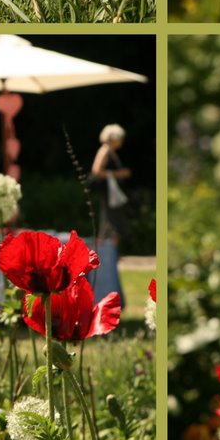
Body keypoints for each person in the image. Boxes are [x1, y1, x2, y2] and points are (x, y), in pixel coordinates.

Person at [90, 123, 131, 305]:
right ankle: (106, 260)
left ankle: (111, 258)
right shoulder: (105, 150)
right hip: (108, 196)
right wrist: (118, 174)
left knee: (114, 226)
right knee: (110, 226)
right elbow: (96, 171)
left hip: (112, 196)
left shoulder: (111, 152)